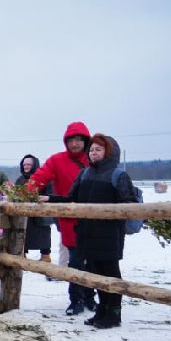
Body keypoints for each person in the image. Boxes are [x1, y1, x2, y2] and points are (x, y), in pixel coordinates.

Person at [41, 134, 137, 328]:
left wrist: (108, 214)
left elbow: (130, 205)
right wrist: (50, 199)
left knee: (110, 272)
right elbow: (72, 199)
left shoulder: (118, 175)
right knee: (95, 273)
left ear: (109, 152)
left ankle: (114, 313)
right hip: (86, 234)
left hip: (109, 235)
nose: (93, 153)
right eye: (91, 150)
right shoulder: (85, 174)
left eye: (98, 149)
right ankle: (102, 309)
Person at [28, 121, 96, 315]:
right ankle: (76, 300)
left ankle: (90, 298)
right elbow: (38, 179)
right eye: (71, 140)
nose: (75, 144)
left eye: (78, 140)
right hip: (69, 220)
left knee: (92, 261)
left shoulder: (94, 159)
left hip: (94, 220)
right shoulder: (57, 160)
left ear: (86, 140)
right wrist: (22, 194)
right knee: (74, 261)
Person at [16, 154, 54, 262]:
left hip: (40, 214)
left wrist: (41, 200)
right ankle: (22, 254)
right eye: (24, 164)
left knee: (44, 234)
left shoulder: (43, 178)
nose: (26, 167)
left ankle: (45, 256)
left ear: (34, 165)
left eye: (29, 164)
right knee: (23, 234)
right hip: (24, 215)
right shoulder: (20, 180)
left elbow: (50, 193)